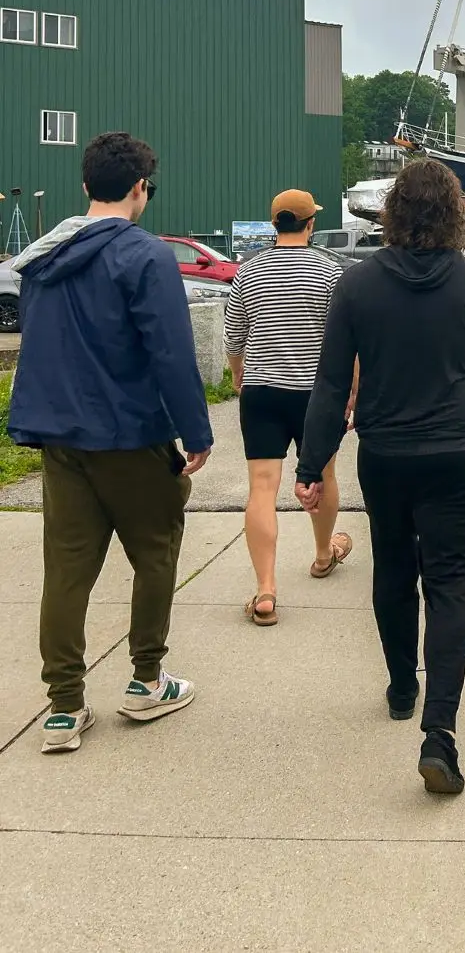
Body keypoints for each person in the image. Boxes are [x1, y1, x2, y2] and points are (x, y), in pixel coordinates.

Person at [298, 159, 465, 795]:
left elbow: (330, 385)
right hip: (455, 456)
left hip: (386, 456)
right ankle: (440, 734)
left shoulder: (357, 286)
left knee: (393, 570)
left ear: (393, 213)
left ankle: (402, 686)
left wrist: (311, 465)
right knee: (451, 584)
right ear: (455, 215)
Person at [7, 132, 211, 752]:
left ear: (85, 186)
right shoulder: (145, 257)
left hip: (61, 436)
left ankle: (64, 708)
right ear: (141, 187)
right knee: (154, 554)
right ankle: (146, 680)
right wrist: (196, 432)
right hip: (130, 432)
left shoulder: (45, 257)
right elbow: (171, 353)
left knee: (66, 571)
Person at [226, 188, 351, 626]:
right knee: (324, 473)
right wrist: (352, 389)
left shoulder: (248, 271)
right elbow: (343, 339)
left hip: (261, 389)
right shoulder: (329, 270)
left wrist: (240, 375)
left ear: (274, 223)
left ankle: (265, 590)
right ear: (310, 223)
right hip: (315, 394)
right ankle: (322, 555)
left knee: (262, 486)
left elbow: (233, 335)